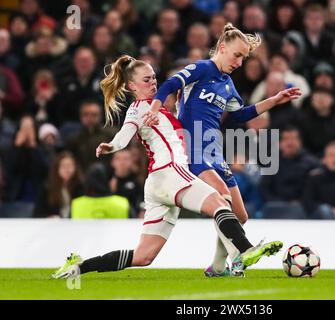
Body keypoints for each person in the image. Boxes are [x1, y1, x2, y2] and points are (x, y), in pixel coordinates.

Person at [52, 55, 282, 279]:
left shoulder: (161, 111)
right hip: (170, 172)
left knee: (143, 256)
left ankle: (80, 266)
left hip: (158, 184)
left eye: (154, 78)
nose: (153, 82)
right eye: (146, 79)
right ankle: (245, 251)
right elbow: (126, 131)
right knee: (220, 202)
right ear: (131, 85)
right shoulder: (140, 107)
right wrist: (112, 146)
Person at [142, 23, 300, 276]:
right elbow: (170, 84)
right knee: (222, 196)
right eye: (237, 55)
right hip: (191, 147)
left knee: (240, 215)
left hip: (214, 151)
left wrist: (274, 100)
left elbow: (239, 116)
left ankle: (217, 267)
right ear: (222, 47)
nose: (239, 62)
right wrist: (153, 109)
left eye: (243, 58)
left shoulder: (228, 85)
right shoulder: (203, 68)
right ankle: (242, 254)